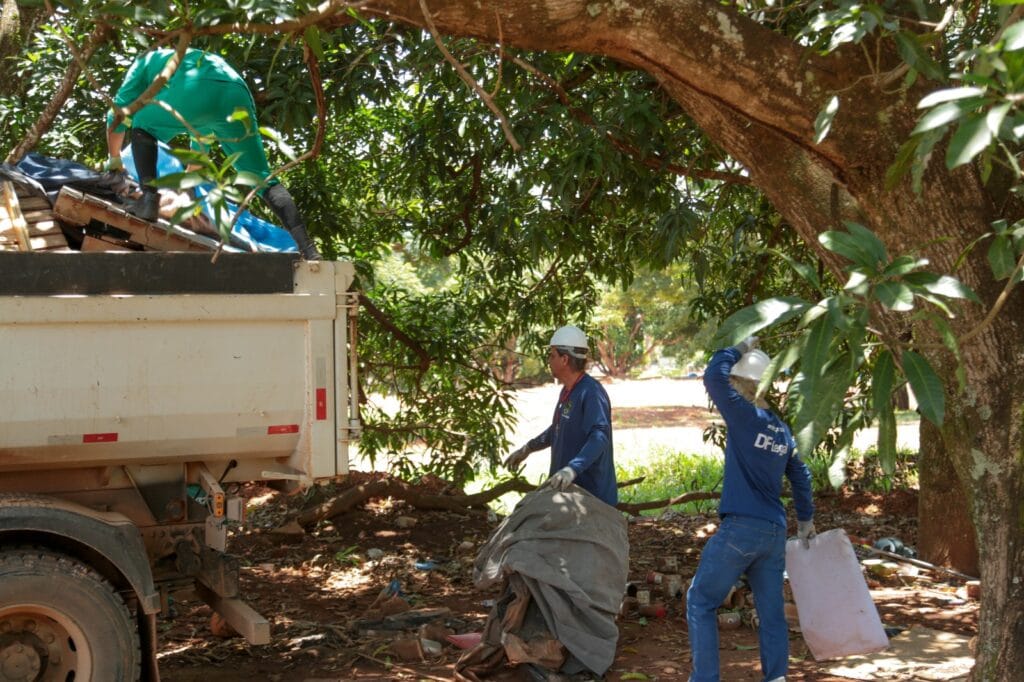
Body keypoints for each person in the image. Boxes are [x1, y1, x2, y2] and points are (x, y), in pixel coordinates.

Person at [104, 47, 321, 259]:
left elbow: (119, 112)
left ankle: (149, 199)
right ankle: (308, 249)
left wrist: (115, 161)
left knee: (142, 123)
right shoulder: (181, 61)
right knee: (262, 178)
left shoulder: (143, 63)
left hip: (197, 87)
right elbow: (201, 140)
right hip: (236, 91)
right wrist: (188, 185)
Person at [686, 336, 815, 682]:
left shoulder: (745, 415)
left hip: (741, 529)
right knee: (771, 613)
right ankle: (776, 677)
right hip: (774, 533)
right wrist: (805, 520)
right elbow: (801, 474)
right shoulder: (781, 429)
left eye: (735, 382)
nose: (731, 386)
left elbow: (713, 375)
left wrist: (738, 349)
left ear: (743, 384)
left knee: (700, 600)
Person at [503, 325, 617, 506]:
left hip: (591, 497)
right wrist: (528, 448)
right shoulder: (568, 390)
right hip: (567, 492)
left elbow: (600, 436)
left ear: (564, 359)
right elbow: (557, 429)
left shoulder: (591, 392)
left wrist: (573, 468)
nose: (548, 360)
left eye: (552, 355)